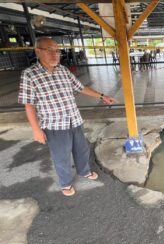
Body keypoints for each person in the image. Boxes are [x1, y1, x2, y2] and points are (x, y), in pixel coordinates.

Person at [18, 37, 116, 197]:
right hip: (55, 126)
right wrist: (36, 129)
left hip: (75, 120)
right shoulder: (29, 75)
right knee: (61, 156)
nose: (54, 54)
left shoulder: (63, 70)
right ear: (37, 51)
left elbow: (81, 87)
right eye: (49, 50)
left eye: (57, 50)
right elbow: (29, 105)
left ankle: (84, 171)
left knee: (81, 149)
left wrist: (102, 96)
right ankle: (65, 183)